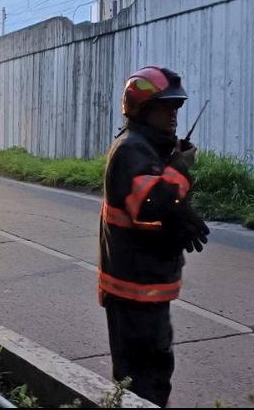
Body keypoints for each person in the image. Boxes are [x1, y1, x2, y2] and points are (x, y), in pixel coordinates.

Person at [99, 65, 210, 407]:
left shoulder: (152, 148)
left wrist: (178, 214)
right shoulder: (131, 149)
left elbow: (160, 207)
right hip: (133, 290)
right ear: (143, 109)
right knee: (141, 382)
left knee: (155, 372)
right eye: (165, 107)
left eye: (176, 108)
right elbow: (151, 203)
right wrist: (180, 170)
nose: (174, 115)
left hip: (148, 285)